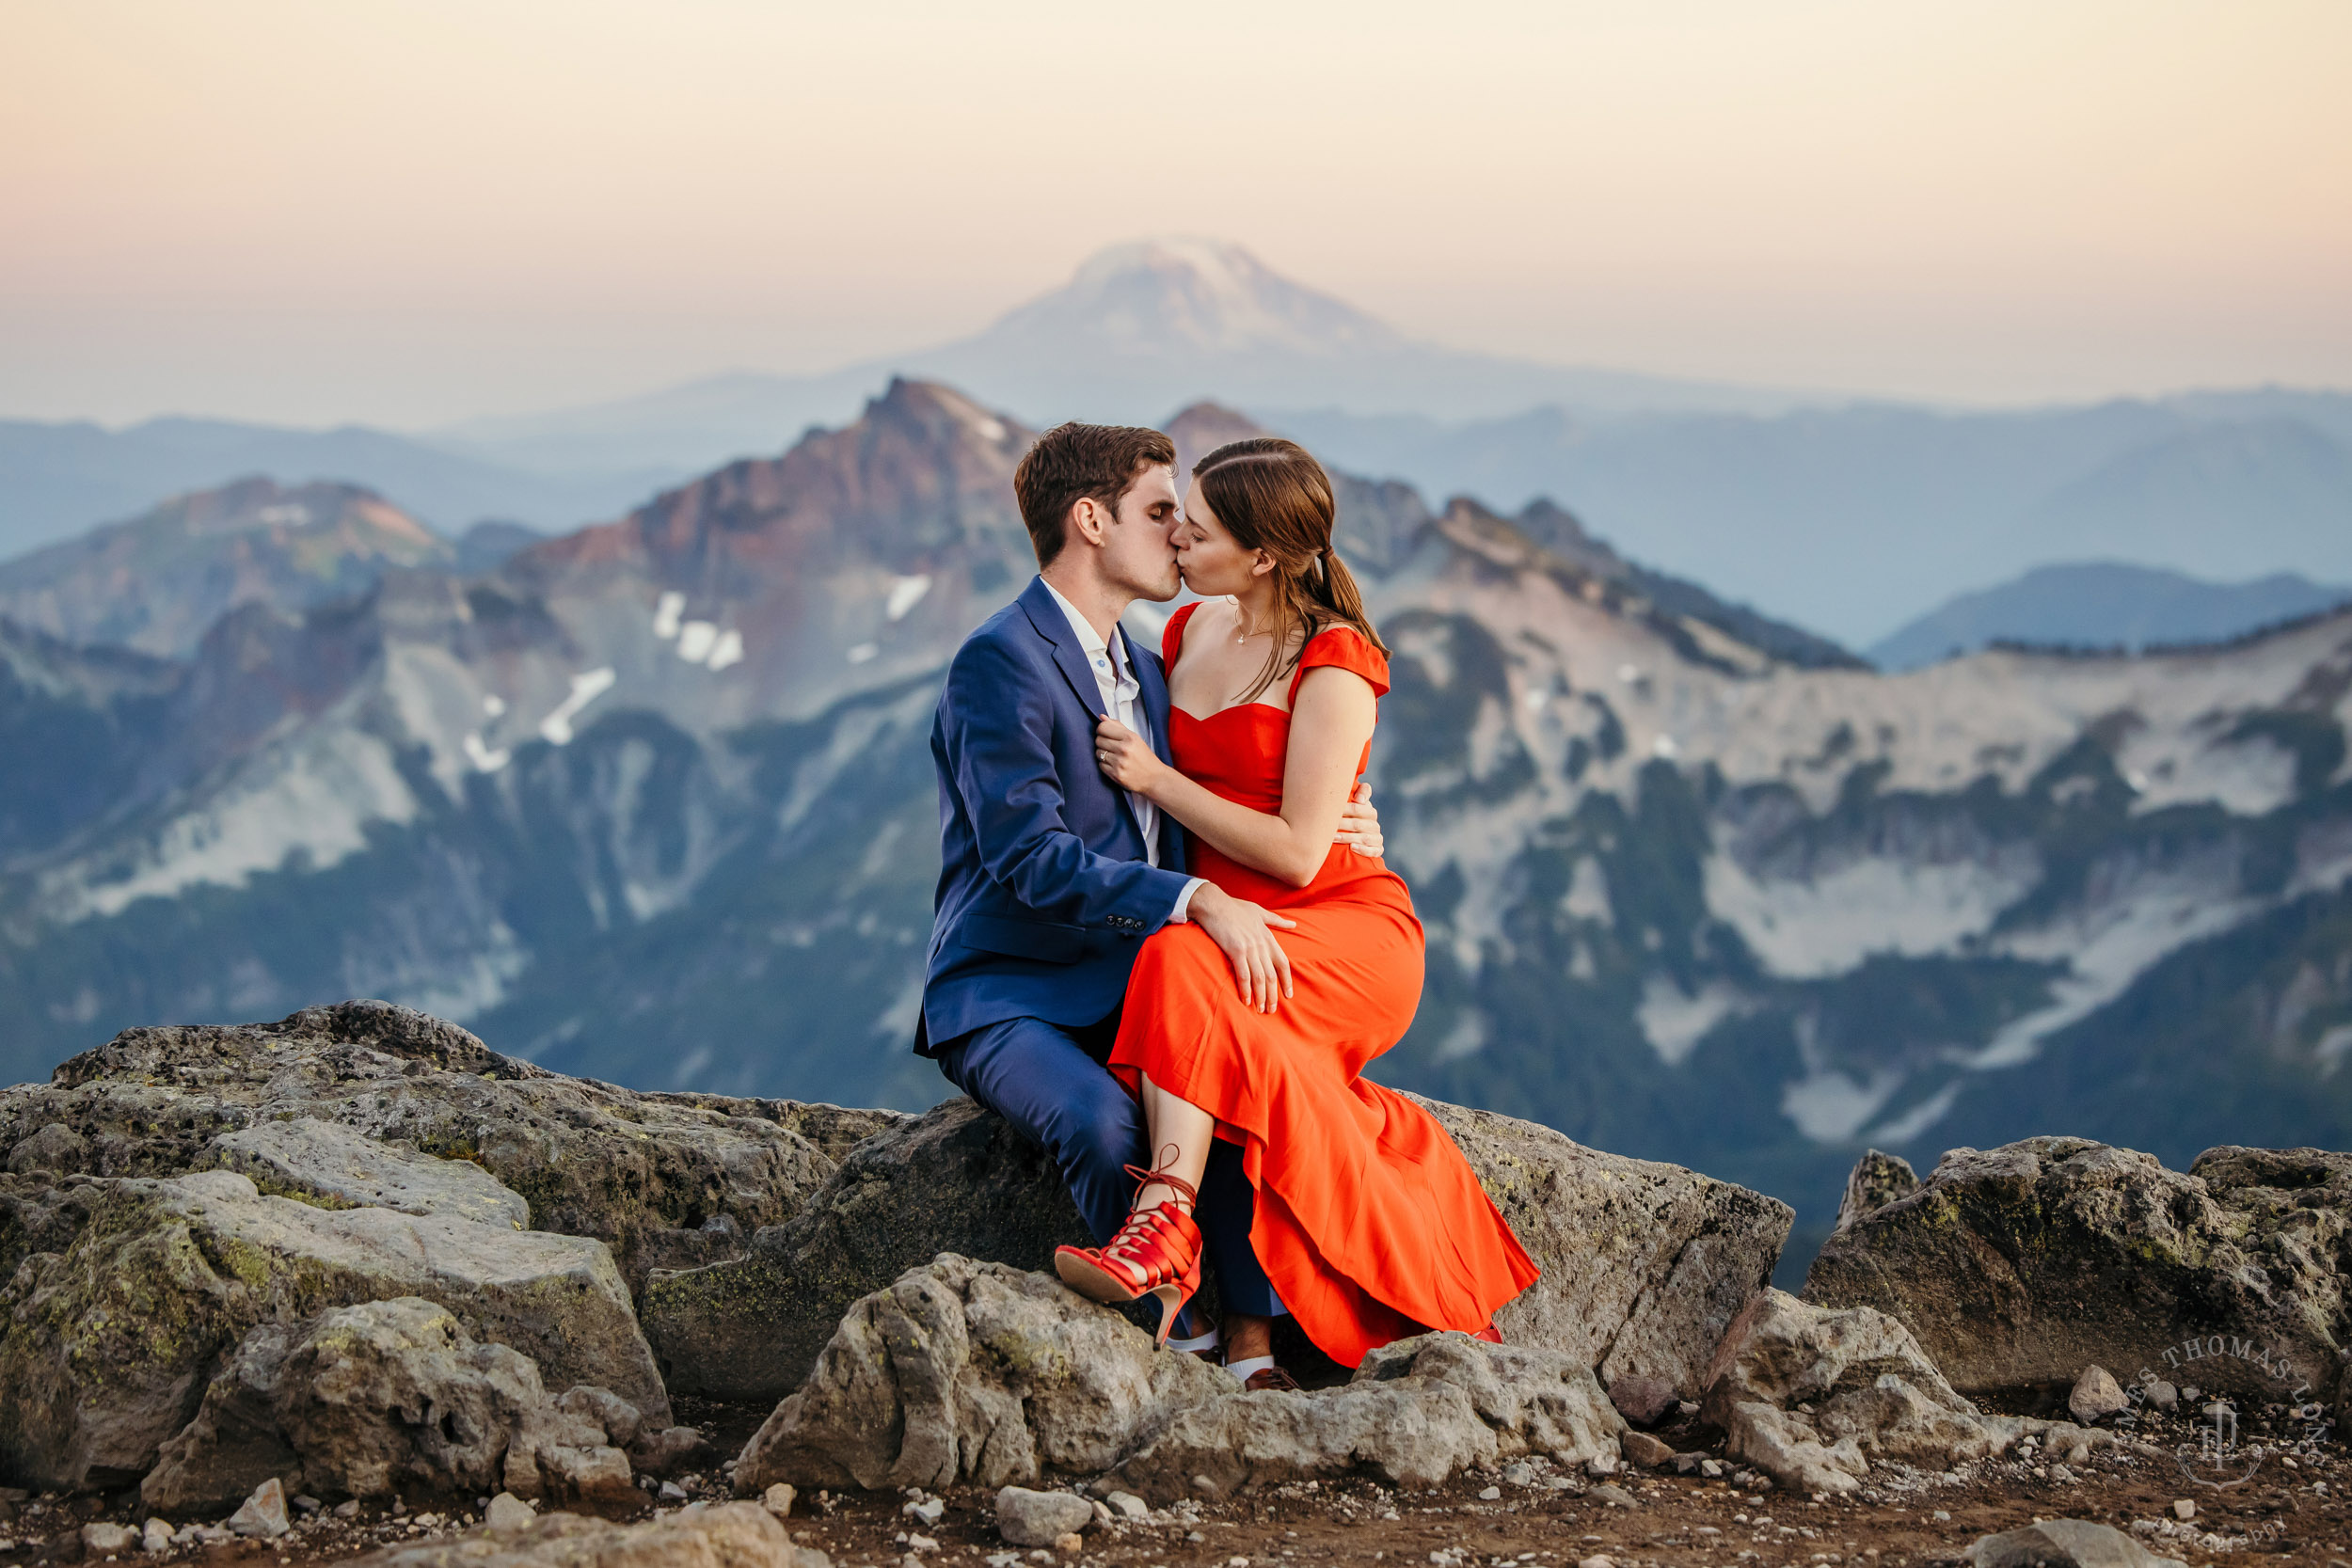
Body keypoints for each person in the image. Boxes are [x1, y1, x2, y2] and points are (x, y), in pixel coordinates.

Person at [1054, 436, 1538, 1388]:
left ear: (1264, 555)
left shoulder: (1335, 659)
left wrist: (1157, 777)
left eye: (1200, 524)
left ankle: (1162, 1225)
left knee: (1182, 963)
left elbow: (1295, 849)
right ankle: (1241, 1326)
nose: (1179, 533)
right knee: (1217, 1016)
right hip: (1235, 918)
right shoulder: (1188, 630)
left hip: (1344, 928)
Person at [917, 420, 1386, 1365]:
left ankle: (1255, 1345)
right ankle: (1184, 1340)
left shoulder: (1149, 661)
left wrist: (1352, 818)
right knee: (1106, 1124)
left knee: (1246, 1082)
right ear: (1089, 520)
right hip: (1012, 988)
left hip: (1134, 976)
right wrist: (1193, 901)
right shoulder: (1000, 659)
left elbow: (1242, 786)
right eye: (1161, 511)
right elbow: (1028, 858)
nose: (1179, 533)